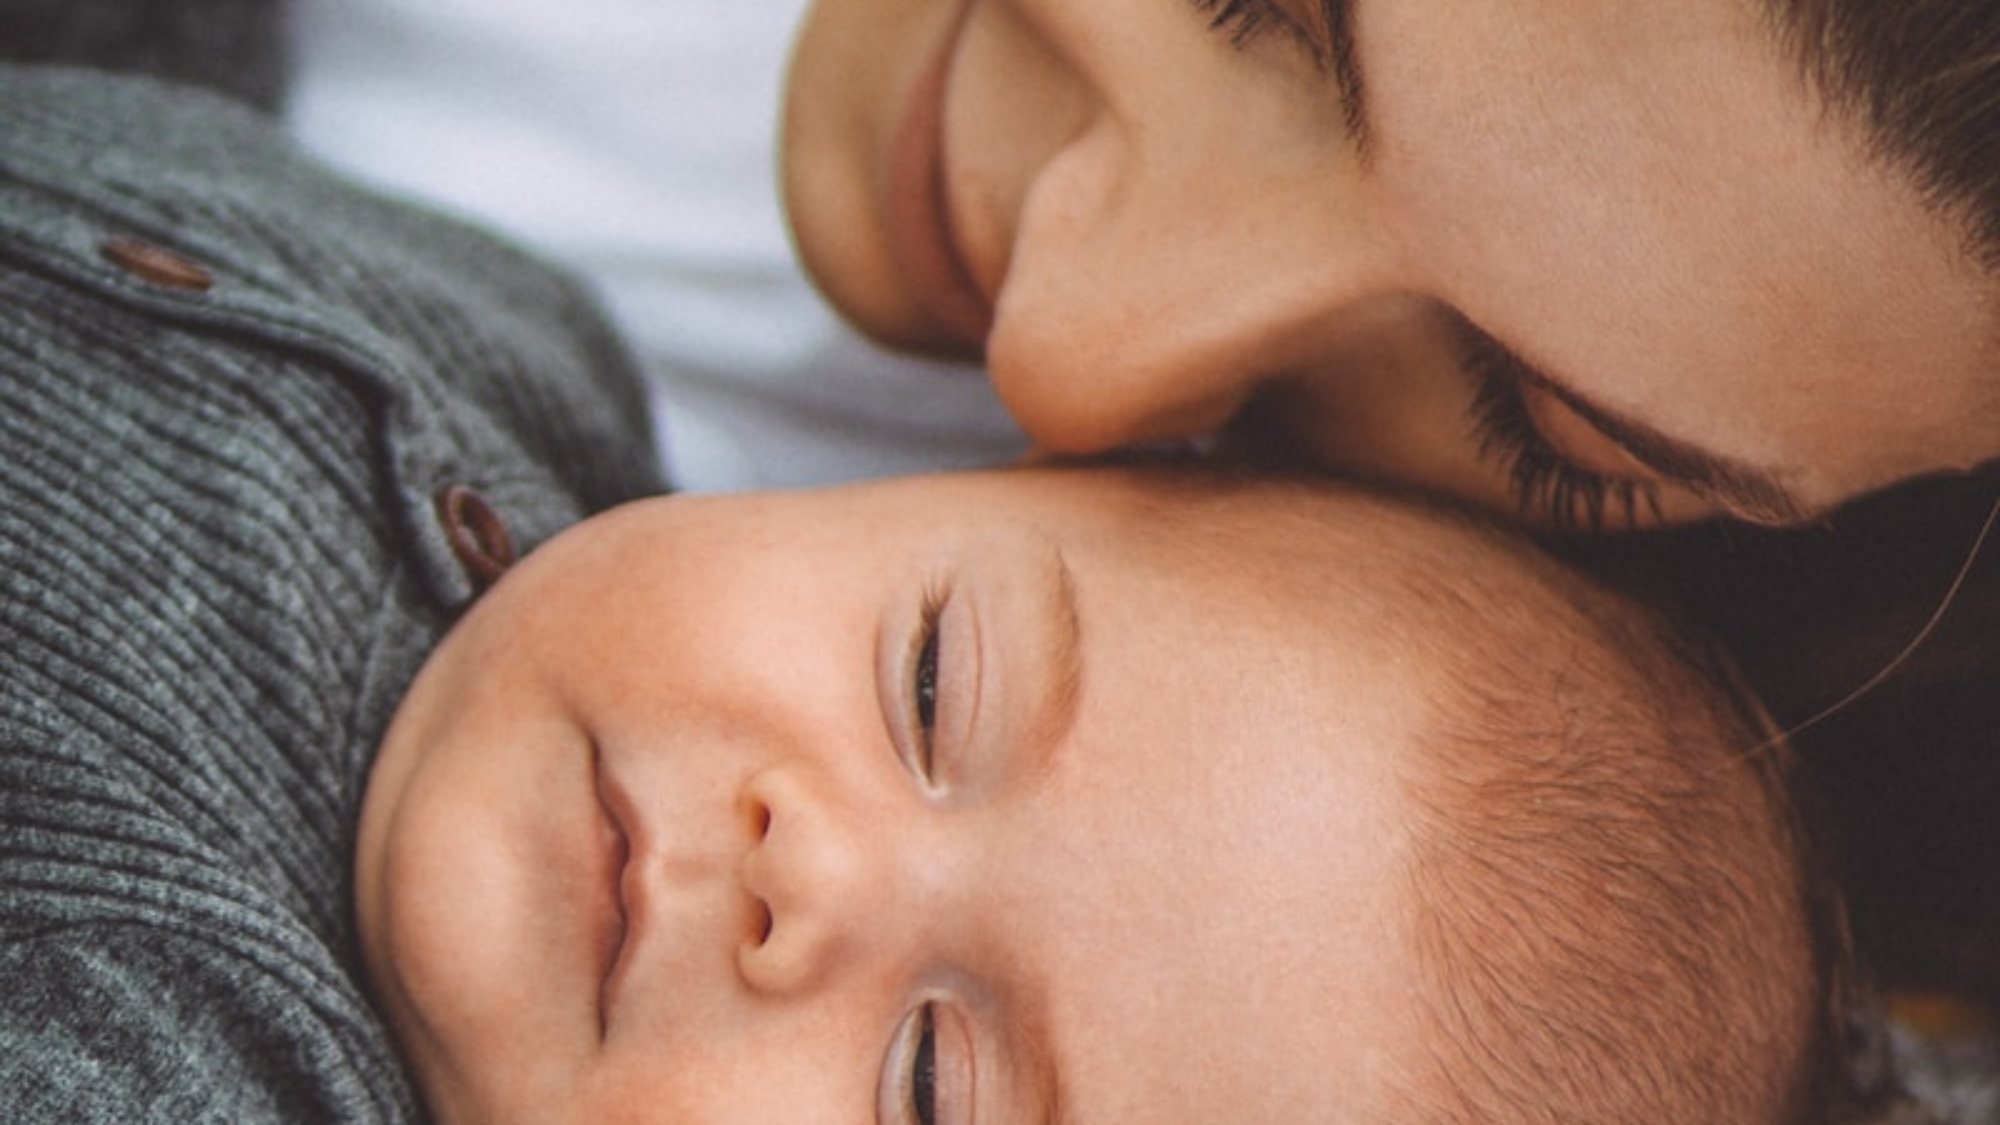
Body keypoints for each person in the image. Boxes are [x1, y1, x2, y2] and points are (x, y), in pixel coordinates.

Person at [0, 59, 1903, 1125]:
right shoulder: (527, 345)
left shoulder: (197, 1065)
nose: (793, 870)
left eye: (927, 1084)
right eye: (929, 681)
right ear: (979, 474)